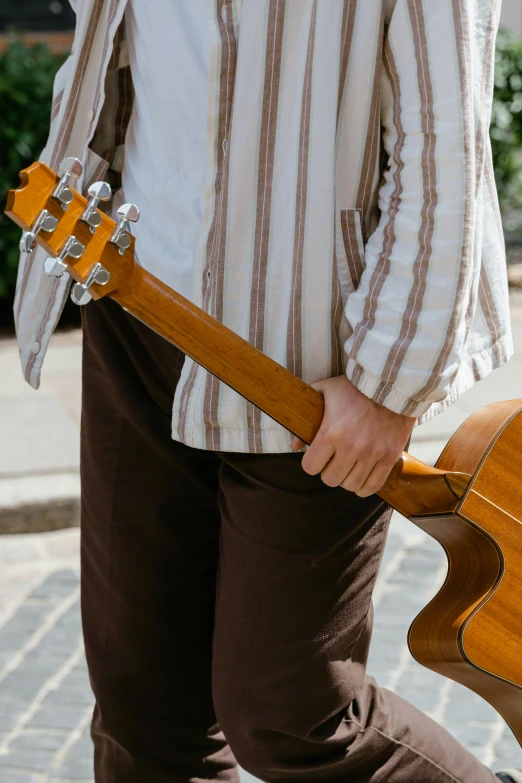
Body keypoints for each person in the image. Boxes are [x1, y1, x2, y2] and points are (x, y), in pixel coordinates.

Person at [14, 1, 520, 781]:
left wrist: (389, 385)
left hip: (311, 362)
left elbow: (444, 143)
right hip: (135, 303)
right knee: (145, 710)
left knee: (294, 713)